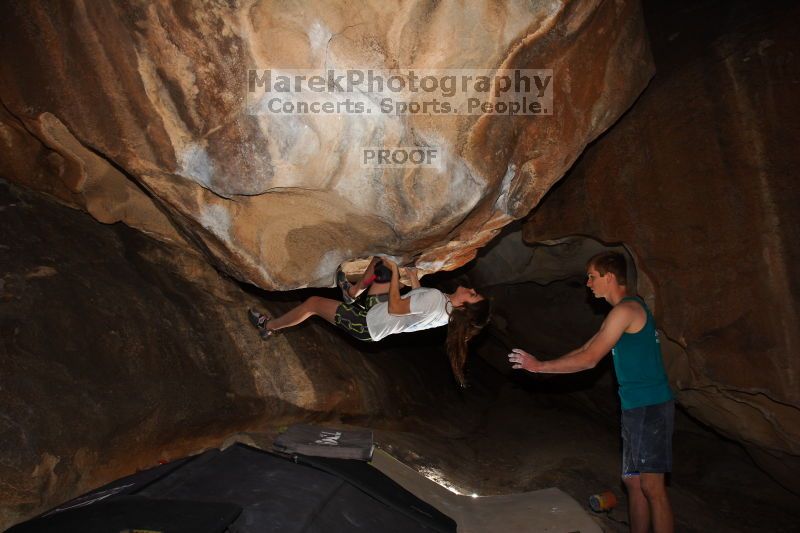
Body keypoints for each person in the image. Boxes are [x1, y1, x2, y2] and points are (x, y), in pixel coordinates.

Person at [507, 251, 674, 533]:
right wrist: (542, 368)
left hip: (651, 405)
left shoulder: (627, 310)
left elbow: (590, 360)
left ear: (609, 277)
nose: (587, 283)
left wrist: (539, 366)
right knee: (634, 483)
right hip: (634, 406)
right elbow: (585, 348)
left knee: (652, 486)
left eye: (592, 276)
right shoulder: (620, 314)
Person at [248, 256, 491, 385]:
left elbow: (398, 307)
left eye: (471, 294)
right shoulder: (446, 311)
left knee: (312, 303)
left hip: (367, 324)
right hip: (379, 310)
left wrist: (397, 274)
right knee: (380, 266)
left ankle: (268, 327)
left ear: (463, 305)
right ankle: (352, 293)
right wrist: (414, 277)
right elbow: (419, 300)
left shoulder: (437, 301)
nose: (469, 288)